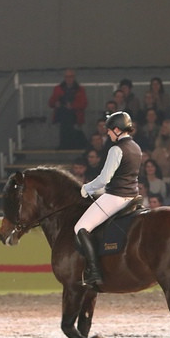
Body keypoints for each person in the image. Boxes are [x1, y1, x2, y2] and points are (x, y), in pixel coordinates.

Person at [73, 111, 142, 290]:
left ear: (118, 129)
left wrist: (87, 188)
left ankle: (94, 272)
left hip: (116, 197)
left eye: (110, 131)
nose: (108, 134)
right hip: (132, 195)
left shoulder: (116, 149)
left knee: (80, 227)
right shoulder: (135, 147)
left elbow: (104, 179)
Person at [48, 69, 88, 150]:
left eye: (71, 77)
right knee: (65, 127)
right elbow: (51, 102)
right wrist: (56, 103)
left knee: (71, 128)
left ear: (74, 77)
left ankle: (70, 145)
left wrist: (72, 106)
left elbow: (84, 103)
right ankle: (65, 145)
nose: (69, 79)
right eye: (67, 77)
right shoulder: (58, 89)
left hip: (74, 115)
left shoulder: (80, 89)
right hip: (62, 114)